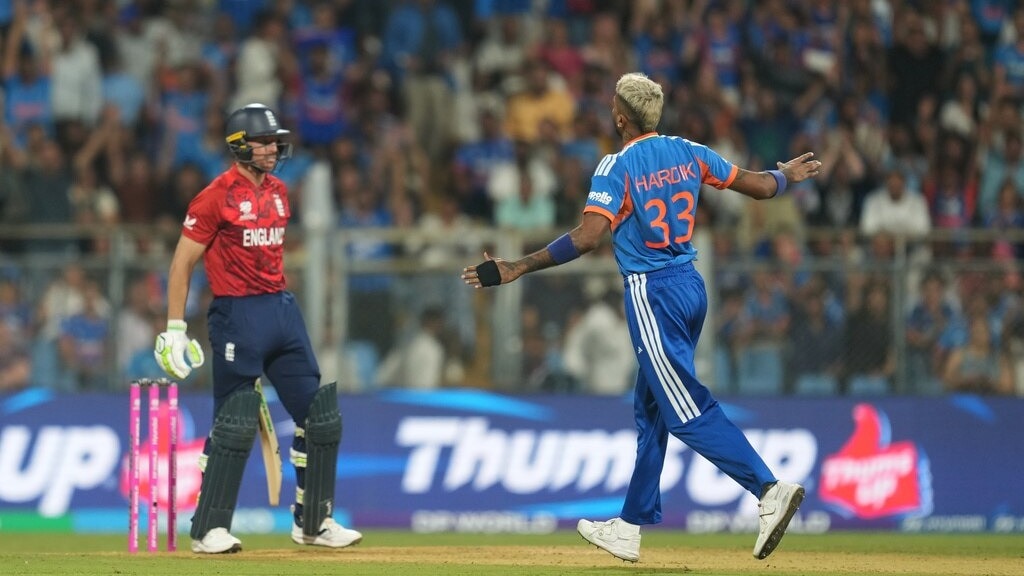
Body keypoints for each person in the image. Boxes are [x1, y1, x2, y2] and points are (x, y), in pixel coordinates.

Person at [462, 73, 821, 563]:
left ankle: (768, 488)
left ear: (620, 118)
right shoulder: (689, 150)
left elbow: (589, 237)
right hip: (691, 286)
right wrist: (784, 177)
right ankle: (630, 527)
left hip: (652, 293)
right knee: (650, 410)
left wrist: (518, 267)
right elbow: (758, 186)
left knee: (684, 407)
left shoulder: (616, 165)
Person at [154, 103, 361, 554]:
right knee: (234, 422)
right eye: (263, 142)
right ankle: (208, 529)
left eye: (274, 141)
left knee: (319, 416)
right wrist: (174, 328)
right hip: (237, 314)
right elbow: (181, 264)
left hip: (281, 309)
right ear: (239, 146)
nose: (272, 149)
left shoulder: (281, 192)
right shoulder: (214, 197)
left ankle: (314, 522)